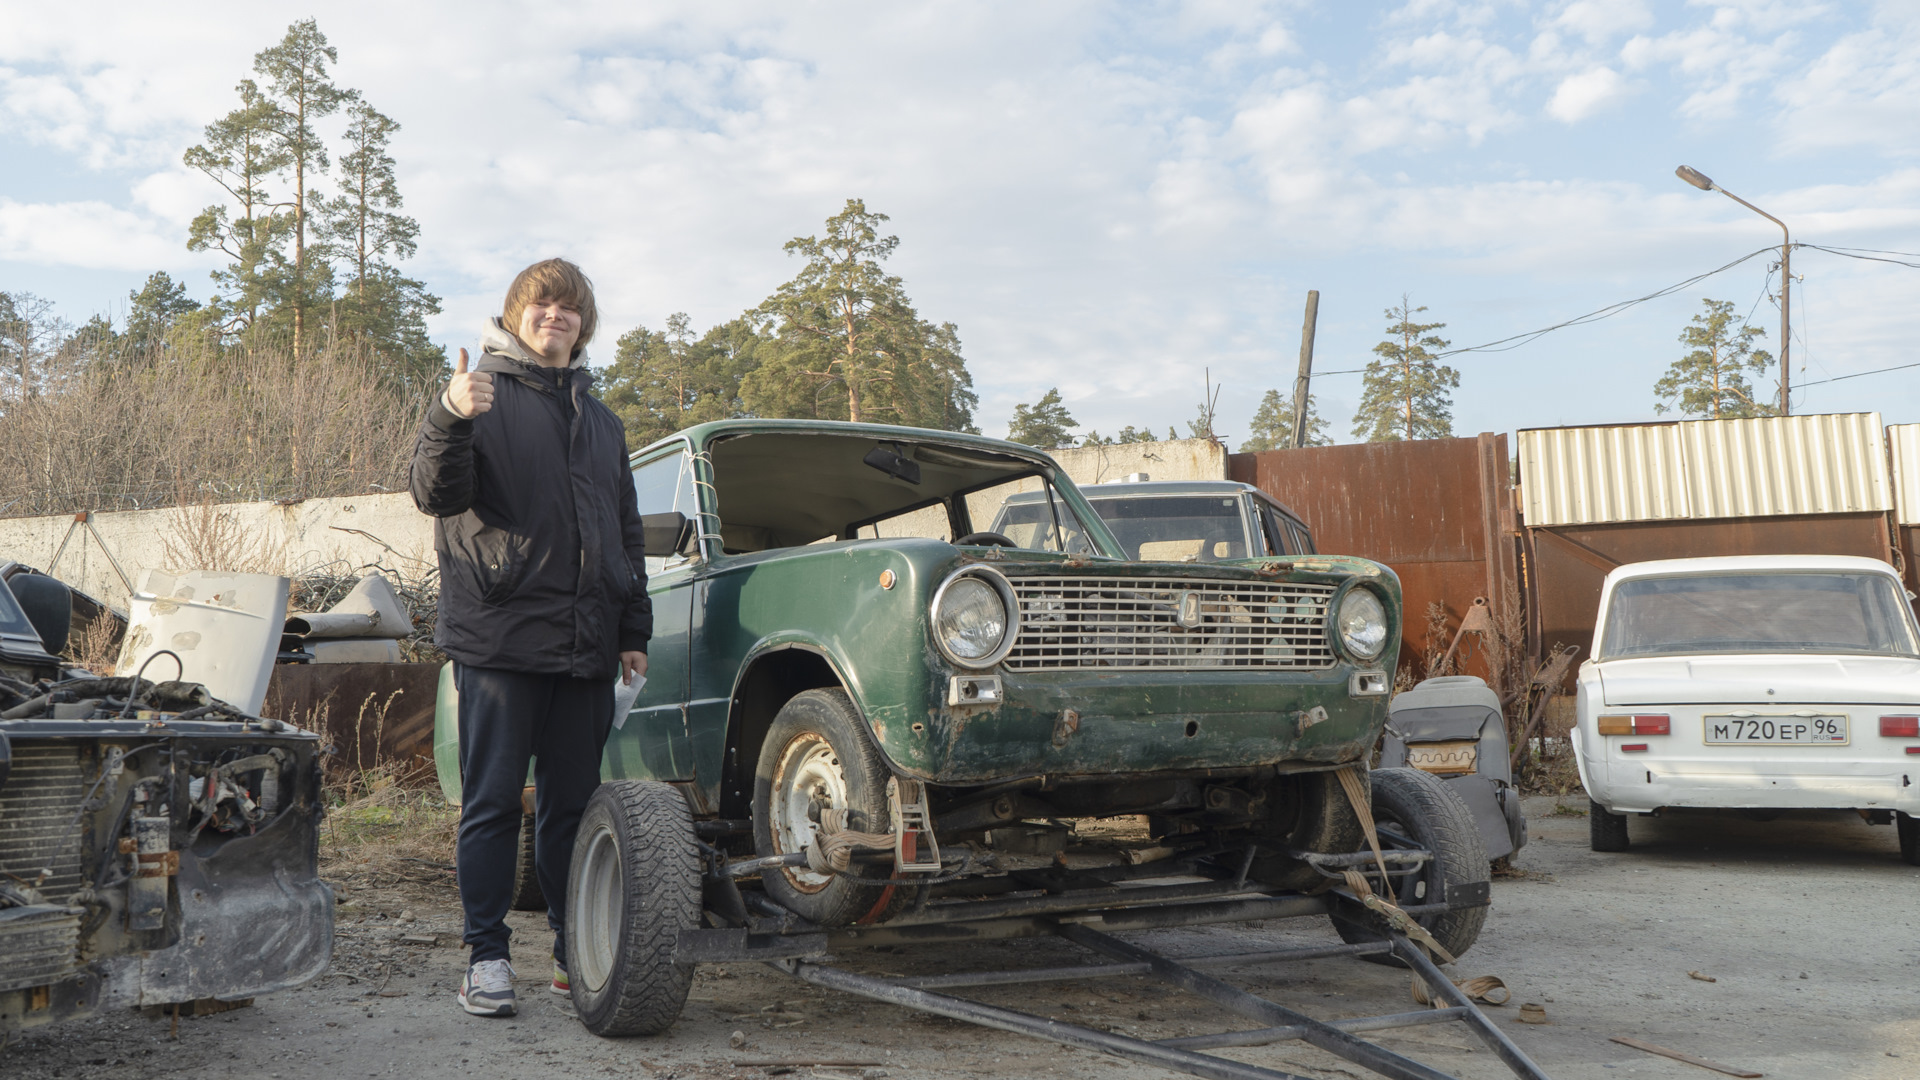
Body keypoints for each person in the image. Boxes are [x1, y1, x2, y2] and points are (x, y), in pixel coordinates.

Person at [409, 258, 650, 1018]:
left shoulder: (603, 422)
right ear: (516, 316)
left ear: (585, 323)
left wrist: (632, 627)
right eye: (540, 304)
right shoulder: (479, 396)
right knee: (490, 804)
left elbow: (626, 535)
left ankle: (571, 950)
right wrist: (450, 414)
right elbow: (433, 493)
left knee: (572, 812)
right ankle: (485, 957)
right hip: (502, 639)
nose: (556, 315)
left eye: (570, 307)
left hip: (586, 647)